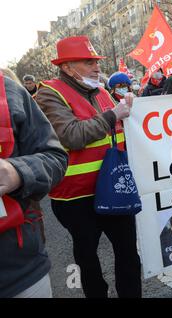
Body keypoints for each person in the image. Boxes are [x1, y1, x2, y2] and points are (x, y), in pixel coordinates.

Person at [35, 36, 142, 298]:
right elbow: (70, 135)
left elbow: (119, 131)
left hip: (114, 187)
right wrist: (113, 114)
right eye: (88, 62)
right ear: (68, 67)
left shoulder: (103, 92)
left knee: (128, 253)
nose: (96, 67)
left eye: (96, 61)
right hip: (75, 197)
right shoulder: (48, 94)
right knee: (87, 257)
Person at [0, 69, 68, 298]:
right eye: (88, 63)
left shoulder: (9, 93)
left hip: (19, 274)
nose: (96, 69)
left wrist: (17, 172)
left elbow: (55, 157)